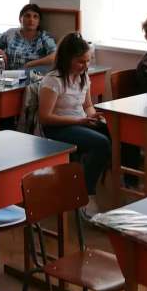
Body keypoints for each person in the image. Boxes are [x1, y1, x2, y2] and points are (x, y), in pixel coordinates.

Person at [37, 33, 111, 217]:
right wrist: (80, 121)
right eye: (80, 62)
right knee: (101, 143)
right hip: (57, 128)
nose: (85, 66)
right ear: (67, 59)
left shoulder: (83, 77)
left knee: (115, 131)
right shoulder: (53, 80)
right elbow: (45, 118)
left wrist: (94, 116)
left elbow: (87, 105)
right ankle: (86, 194)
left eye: (88, 61)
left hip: (79, 122)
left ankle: (112, 181)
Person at [0, 3, 56, 70]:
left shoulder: (44, 37)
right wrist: (0, 52)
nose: (31, 20)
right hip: (9, 75)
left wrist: (30, 64)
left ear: (39, 21)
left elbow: (54, 56)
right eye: (27, 16)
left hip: (32, 75)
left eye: (35, 17)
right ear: (20, 19)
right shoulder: (10, 33)